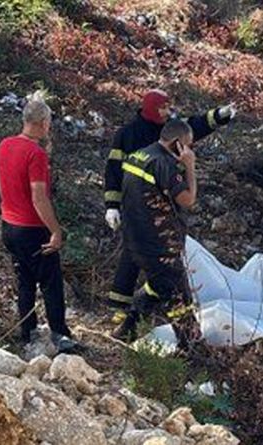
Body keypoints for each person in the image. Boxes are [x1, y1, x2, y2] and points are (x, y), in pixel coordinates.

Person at [104, 89, 236, 311]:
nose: (168, 111)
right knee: (142, 261)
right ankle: (128, 309)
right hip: (139, 208)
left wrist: (219, 115)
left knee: (139, 256)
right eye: (163, 107)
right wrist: (112, 206)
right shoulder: (129, 135)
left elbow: (191, 127)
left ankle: (133, 313)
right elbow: (113, 172)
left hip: (156, 208)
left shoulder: (167, 132)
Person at [111, 119, 201, 349]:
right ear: (177, 143)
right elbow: (188, 199)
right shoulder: (163, 164)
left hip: (135, 237)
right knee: (180, 298)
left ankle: (126, 331)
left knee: (155, 286)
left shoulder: (140, 155)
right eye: (188, 145)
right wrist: (189, 165)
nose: (190, 150)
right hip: (159, 243)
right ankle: (191, 349)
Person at [0, 98, 76, 352]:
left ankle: (27, 332)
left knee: (25, 281)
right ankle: (60, 336)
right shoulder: (36, 154)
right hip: (32, 228)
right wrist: (55, 230)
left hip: (9, 225)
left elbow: (0, 183)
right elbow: (39, 197)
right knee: (51, 282)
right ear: (44, 123)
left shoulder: (5, 145)